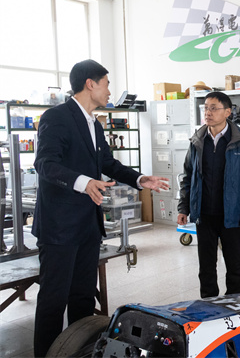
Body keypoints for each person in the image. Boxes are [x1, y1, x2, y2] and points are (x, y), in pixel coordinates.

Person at [33, 59, 169, 357]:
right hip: (59, 227)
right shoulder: (56, 117)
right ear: (90, 83)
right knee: (54, 300)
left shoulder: (94, 123)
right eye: (107, 84)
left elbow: (107, 163)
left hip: (87, 224)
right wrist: (83, 182)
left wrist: (140, 179)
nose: (109, 91)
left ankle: (79, 351)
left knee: (83, 297)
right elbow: (44, 163)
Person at [177, 91, 240, 299]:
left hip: (231, 215)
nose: (208, 112)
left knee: (234, 266)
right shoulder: (197, 141)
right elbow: (187, 176)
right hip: (204, 214)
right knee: (206, 267)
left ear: (228, 112)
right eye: (205, 108)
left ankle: (234, 304)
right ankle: (209, 305)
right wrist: (183, 207)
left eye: (214, 108)